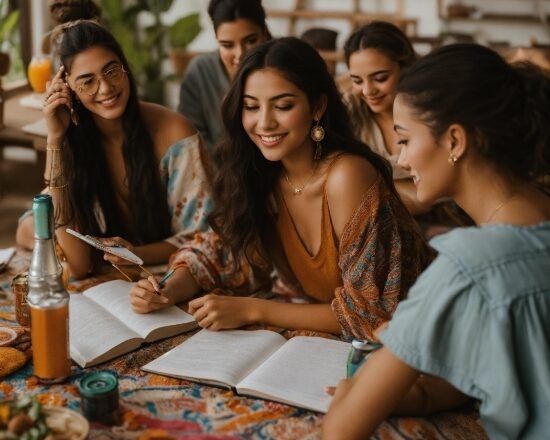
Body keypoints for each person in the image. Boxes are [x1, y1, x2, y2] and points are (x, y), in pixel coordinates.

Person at [130, 37, 431, 341]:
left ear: (318, 107)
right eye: (251, 107)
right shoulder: (264, 175)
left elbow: (372, 314)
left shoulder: (347, 176)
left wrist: (253, 309)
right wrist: (167, 288)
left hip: (416, 340)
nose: (264, 122)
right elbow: (222, 252)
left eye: (283, 106)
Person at [323, 44, 550, 439]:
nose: (402, 159)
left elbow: (341, 431)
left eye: (406, 140)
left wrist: (350, 392)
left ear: (456, 141)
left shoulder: (466, 264)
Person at [15, 20, 211, 279]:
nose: (105, 88)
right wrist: (55, 139)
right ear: (68, 89)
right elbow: (79, 264)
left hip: (174, 276)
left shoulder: (174, 133)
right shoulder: (72, 141)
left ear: (125, 68)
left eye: (111, 72)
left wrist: (135, 253)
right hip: (109, 283)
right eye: (87, 81)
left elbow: (203, 237)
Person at [342, 21, 432, 215]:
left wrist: (369, 182)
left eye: (380, 78)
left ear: (406, 68)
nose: (368, 91)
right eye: (357, 80)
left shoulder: (430, 110)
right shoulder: (351, 109)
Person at [177, 0, 271, 152]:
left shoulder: (285, 67)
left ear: (264, 33)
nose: (240, 54)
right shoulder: (200, 72)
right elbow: (191, 138)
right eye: (227, 45)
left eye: (251, 41)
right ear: (217, 41)